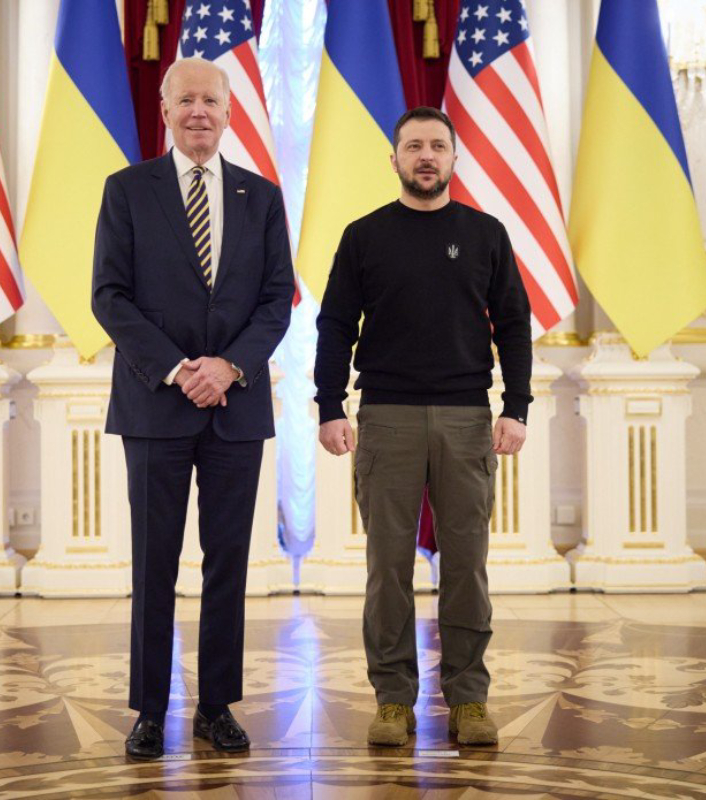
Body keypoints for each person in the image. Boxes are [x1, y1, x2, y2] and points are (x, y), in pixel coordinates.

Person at [91, 57, 294, 761]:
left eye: (211, 100)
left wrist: (229, 366)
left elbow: (277, 299)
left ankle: (216, 707)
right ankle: (150, 711)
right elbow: (109, 296)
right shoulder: (127, 190)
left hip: (236, 406)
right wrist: (180, 370)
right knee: (154, 564)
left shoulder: (261, 196)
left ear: (229, 113)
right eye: (186, 100)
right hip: (155, 405)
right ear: (166, 110)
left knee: (228, 563)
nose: (199, 111)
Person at [314, 106, 532, 747]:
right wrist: (330, 406)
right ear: (395, 159)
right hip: (386, 419)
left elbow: (513, 324)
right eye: (414, 146)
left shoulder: (487, 234)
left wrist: (516, 407)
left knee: (467, 565)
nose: (426, 156)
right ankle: (392, 701)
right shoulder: (364, 236)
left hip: (468, 418)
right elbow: (334, 325)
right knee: (388, 568)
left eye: (438, 145)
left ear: (455, 157)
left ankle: (469, 700)